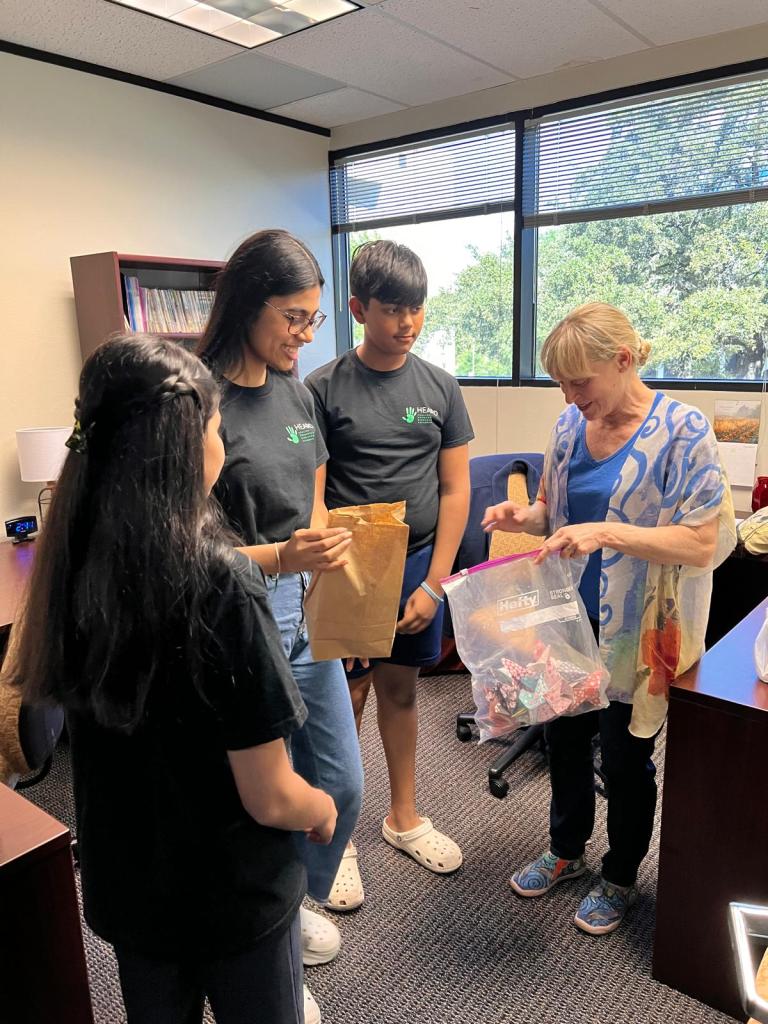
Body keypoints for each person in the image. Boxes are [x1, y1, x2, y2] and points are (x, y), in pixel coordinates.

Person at [6, 335, 336, 1023]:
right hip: (231, 896)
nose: (223, 443)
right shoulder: (223, 582)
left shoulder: (69, 563)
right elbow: (271, 795)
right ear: (186, 447)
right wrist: (320, 808)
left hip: (131, 889)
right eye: (217, 427)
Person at [482, 302, 736, 935]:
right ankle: (566, 850)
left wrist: (606, 532)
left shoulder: (684, 431)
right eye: (561, 385)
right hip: (568, 620)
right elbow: (555, 512)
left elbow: (702, 542)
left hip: (638, 630)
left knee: (624, 758)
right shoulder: (571, 426)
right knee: (564, 742)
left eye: (580, 382)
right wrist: (526, 519)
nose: (570, 397)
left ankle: (620, 875)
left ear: (623, 360)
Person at [198, 229, 363, 937]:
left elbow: (314, 500)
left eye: (312, 317)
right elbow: (187, 551)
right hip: (234, 612)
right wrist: (281, 558)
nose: (306, 333)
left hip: (303, 601)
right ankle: (274, 931)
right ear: (247, 303)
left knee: (342, 781)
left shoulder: (297, 395)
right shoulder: (197, 400)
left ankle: (293, 905)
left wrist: (322, 572)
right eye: (293, 317)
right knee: (264, 792)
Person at [306, 240, 473, 899]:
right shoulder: (322, 388)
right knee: (344, 700)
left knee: (401, 692)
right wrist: (335, 581)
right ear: (358, 309)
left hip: (418, 565)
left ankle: (403, 818)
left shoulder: (440, 388)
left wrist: (435, 583)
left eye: (417, 309)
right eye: (392, 309)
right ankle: (337, 835)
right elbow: (315, 496)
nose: (407, 323)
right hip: (349, 566)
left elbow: (455, 491)